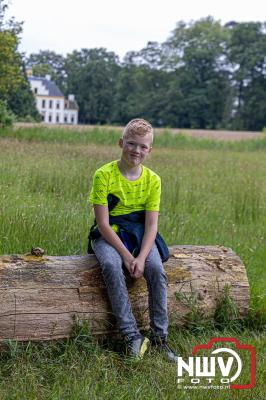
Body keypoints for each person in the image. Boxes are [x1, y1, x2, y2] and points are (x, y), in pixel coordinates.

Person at [88, 118, 178, 362]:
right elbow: (103, 224)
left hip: (140, 236)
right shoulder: (103, 175)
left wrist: (140, 256)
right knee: (109, 264)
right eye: (131, 143)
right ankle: (131, 336)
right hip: (110, 235)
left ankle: (160, 338)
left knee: (157, 269)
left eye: (142, 146)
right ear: (121, 143)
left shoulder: (153, 180)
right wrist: (127, 258)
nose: (136, 150)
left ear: (150, 150)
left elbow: (151, 224)